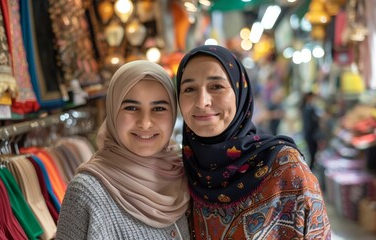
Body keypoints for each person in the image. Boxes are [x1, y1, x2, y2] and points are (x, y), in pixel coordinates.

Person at [176, 45, 331, 239]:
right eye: (189, 89)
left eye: (216, 86)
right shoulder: (180, 171)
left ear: (240, 93)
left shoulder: (286, 168)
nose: (202, 101)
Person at [56, 60, 190, 239]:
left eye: (159, 108)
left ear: (173, 113)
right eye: (131, 107)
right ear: (112, 111)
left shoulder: (185, 176)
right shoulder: (87, 193)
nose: (145, 123)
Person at [301, 92, 321, 170]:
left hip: (309, 134)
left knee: (312, 152)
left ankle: (311, 167)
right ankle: (311, 168)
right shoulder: (309, 108)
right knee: (312, 152)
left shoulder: (307, 108)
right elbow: (310, 124)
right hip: (311, 135)